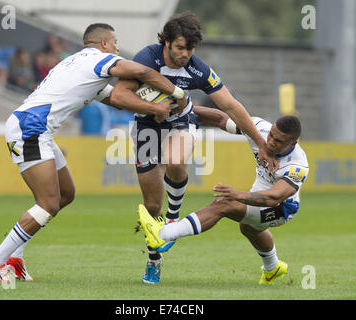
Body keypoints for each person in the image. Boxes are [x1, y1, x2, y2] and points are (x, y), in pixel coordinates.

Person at [0, 23, 188, 283]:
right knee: (47, 204)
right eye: (114, 42)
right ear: (103, 44)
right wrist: (177, 93)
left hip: (36, 128)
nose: (117, 48)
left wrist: (154, 108)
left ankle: (14, 257)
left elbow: (118, 99)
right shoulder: (99, 60)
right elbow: (142, 70)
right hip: (30, 128)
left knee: (66, 194)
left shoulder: (78, 65)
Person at [110, 11, 277, 284]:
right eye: (179, 47)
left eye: (190, 48)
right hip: (146, 129)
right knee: (152, 207)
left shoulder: (198, 69)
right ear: (166, 43)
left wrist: (261, 144)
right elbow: (119, 95)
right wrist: (153, 108)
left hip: (181, 123)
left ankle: (174, 217)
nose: (185, 54)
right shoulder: (145, 59)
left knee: (176, 161)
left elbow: (231, 105)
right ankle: (154, 260)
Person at [138, 107, 309, 285]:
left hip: (282, 208)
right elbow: (222, 119)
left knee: (224, 204)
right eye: (271, 135)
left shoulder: (297, 164)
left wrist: (237, 195)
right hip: (257, 195)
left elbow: (274, 197)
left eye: (279, 141)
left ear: (293, 143)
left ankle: (165, 234)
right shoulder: (260, 129)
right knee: (248, 228)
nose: (271, 141)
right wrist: (183, 108)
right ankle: (273, 267)